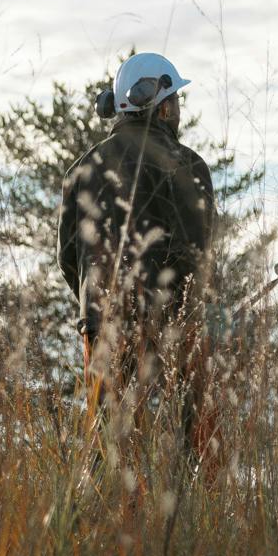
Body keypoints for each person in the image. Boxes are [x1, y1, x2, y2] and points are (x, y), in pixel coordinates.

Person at [58, 51, 217, 434]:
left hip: (101, 327)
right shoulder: (190, 166)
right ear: (160, 108)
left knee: (112, 445)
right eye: (175, 101)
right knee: (190, 443)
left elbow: (67, 258)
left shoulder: (81, 169)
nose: (178, 111)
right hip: (177, 328)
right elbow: (203, 255)